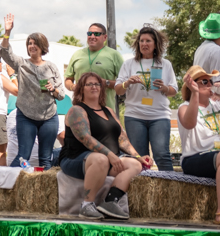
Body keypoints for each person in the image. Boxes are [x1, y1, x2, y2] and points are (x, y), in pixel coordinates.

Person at [59, 72, 152, 220]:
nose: (94, 87)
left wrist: (139, 157)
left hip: (108, 159)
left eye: (97, 84)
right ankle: (87, 205)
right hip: (76, 159)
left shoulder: (108, 110)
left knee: (134, 165)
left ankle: (110, 201)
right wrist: (110, 155)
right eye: (89, 84)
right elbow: (85, 138)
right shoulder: (76, 110)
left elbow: (122, 138)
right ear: (81, 89)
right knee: (101, 159)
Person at [178, 65, 220, 226]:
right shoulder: (184, 107)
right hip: (196, 157)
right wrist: (194, 94)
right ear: (192, 85)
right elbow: (189, 123)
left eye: (211, 81)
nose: (209, 85)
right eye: (204, 81)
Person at [0, 13, 65, 169]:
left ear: (42, 47)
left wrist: (53, 89)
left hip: (49, 117)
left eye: (35, 43)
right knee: (23, 157)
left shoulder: (51, 67)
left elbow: (62, 94)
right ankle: (10, 186)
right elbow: (4, 53)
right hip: (26, 116)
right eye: (29, 43)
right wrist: (7, 32)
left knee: (46, 159)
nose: (32, 46)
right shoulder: (21, 64)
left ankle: (46, 193)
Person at [114, 25, 178, 171]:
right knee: (139, 158)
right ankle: (140, 192)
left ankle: (167, 189)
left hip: (159, 115)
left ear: (156, 44)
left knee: (162, 155)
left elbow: (174, 91)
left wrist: (165, 88)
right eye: (141, 41)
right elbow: (118, 90)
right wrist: (127, 82)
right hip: (135, 116)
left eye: (148, 41)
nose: (144, 44)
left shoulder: (165, 64)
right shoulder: (129, 64)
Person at [64, 23, 123, 110]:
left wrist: (106, 83)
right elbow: (68, 79)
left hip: (105, 109)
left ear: (105, 37)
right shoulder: (77, 54)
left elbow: (124, 84)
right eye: (89, 33)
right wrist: (74, 87)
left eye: (96, 34)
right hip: (80, 108)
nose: (92, 36)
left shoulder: (114, 55)